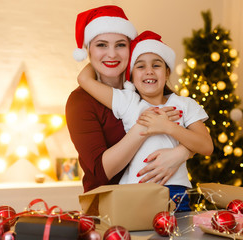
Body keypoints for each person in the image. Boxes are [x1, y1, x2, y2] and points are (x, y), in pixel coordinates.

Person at [77, 30, 214, 211]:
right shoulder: (128, 102)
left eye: (156, 65)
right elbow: (83, 79)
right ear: (131, 76)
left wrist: (167, 127)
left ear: (167, 72)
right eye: (140, 66)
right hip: (135, 192)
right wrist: (97, 59)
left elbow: (206, 146)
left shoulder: (184, 104)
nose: (149, 71)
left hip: (176, 193)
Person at [66, 5, 192, 198]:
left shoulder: (146, 85)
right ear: (88, 50)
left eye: (120, 45)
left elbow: (191, 130)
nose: (112, 54)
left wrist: (182, 152)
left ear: (130, 48)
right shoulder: (80, 102)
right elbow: (100, 173)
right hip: (109, 208)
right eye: (101, 45)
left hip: (162, 202)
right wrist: (146, 125)